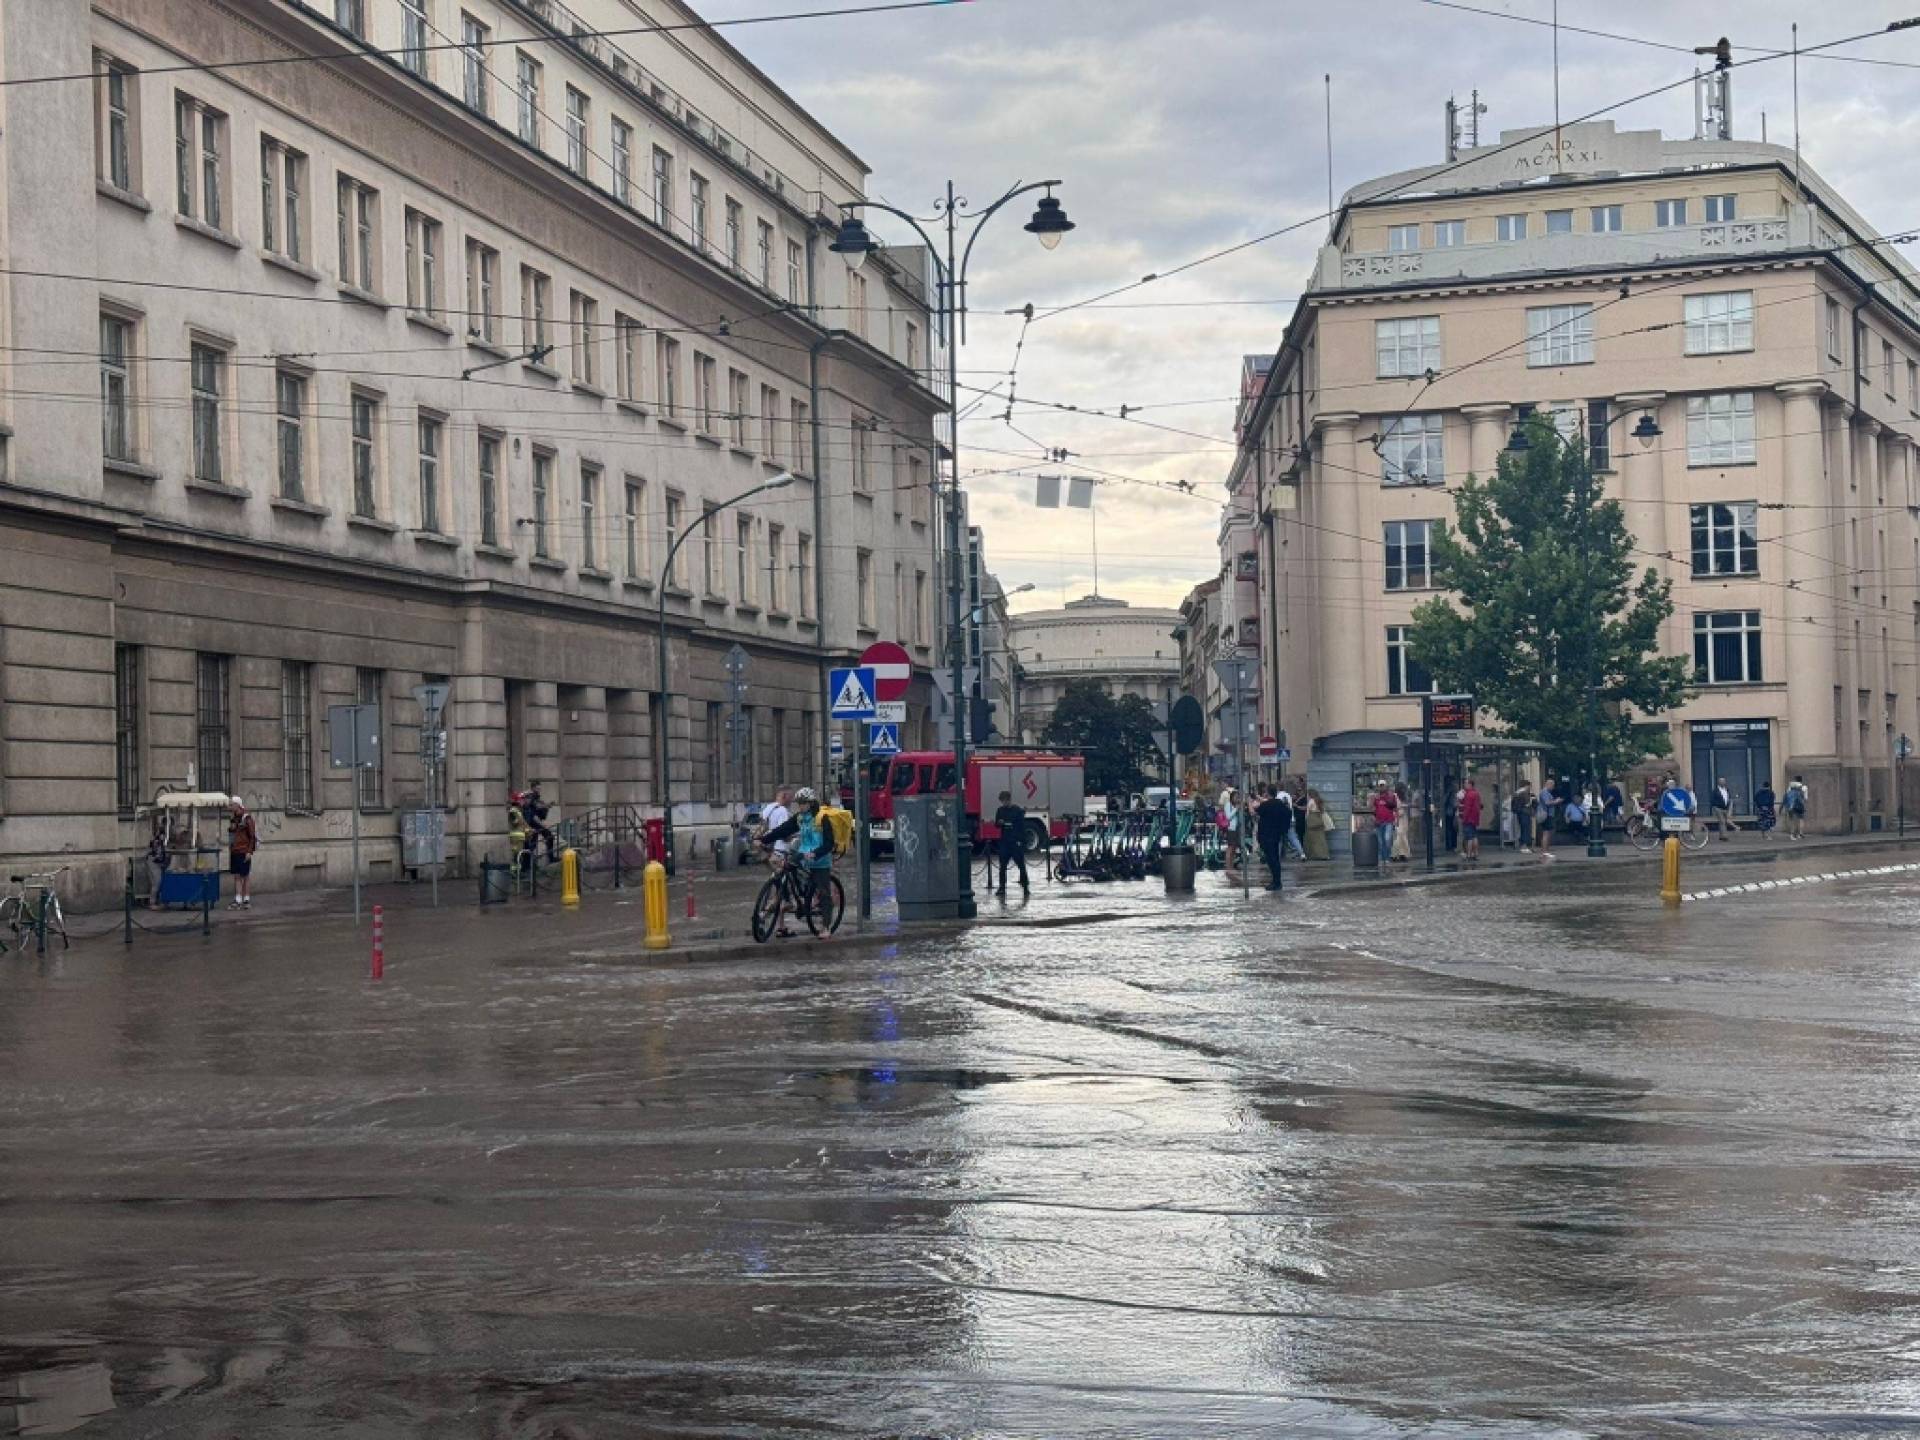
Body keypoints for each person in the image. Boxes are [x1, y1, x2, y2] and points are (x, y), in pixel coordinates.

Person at [992, 789, 1030, 895]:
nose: (1003, 803)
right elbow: (996, 824)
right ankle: (1002, 888)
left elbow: (1022, 826)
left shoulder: (1017, 810)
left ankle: (1026, 887)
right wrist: (999, 823)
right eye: (1002, 801)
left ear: (1009, 800)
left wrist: (1021, 841)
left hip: (1015, 841)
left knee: (1021, 865)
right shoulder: (1000, 810)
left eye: (1005, 801)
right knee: (1002, 866)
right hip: (1005, 841)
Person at [1255, 784, 1291, 890]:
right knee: (1275, 858)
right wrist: (1283, 829)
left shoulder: (1266, 805)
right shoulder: (1280, 804)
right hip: (1276, 835)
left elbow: (1255, 812)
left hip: (1266, 835)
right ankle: (1277, 881)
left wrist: (1249, 802)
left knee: (1271, 859)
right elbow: (1288, 813)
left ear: (1267, 793)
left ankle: (1276, 882)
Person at [227, 798, 259, 909]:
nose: (230, 807)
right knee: (236, 875)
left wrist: (249, 852)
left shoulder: (247, 818)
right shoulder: (233, 819)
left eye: (232, 805)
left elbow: (252, 836)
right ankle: (238, 899)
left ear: (238, 805)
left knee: (245, 876)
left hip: (244, 851)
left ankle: (246, 899)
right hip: (235, 851)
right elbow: (232, 834)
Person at [760, 786, 794, 861]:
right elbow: (784, 832)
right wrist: (794, 836)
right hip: (780, 849)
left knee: (776, 871)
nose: (792, 800)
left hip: (768, 848)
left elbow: (763, 827)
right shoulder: (783, 811)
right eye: (791, 797)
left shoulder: (768, 808)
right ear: (784, 796)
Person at [1371, 782, 1399, 867]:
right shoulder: (1376, 797)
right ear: (1378, 787)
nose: (1382, 787)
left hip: (1389, 821)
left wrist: (1396, 820)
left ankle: (1387, 857)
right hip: (1379, 822)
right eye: (1380, 786)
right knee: (1380, 841)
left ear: (1386, 786)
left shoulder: (1391, 796)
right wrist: (1373, 817)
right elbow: (1373, 808)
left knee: (1387, 839)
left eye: (1383, 785)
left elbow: (1394, 806)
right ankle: (1383, 859)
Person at [146, 818, 171, 909]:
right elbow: (159, 849)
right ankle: (152, 902)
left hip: (158, 861)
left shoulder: (164, 834)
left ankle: (159, 900)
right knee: (157, 881)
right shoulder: (161, 835)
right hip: (154, 861)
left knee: (159, 882)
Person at [1304, 788, 1331, 862]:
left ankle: (1314, 855)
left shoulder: (1311, 801)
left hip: (1312, 820)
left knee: (1311, 839)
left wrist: (1306, 819)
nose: (1307, 796)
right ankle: (1325, 855)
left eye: (1308, 794)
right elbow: (1323, 811)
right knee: (1321, 838)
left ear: (1310, 794)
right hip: (1319, 820)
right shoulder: (1319, 801)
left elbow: (1308, 812)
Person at [1459, 779, 1483, 862]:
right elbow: (1479, 806)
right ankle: (1476, 853)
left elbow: (1467, 808)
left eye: (1466, 783)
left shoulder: (1469, 795)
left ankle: (1469, 854)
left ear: (1470, 784)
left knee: (1469, 837)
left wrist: (1464, 819)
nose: (1464, 785)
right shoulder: (1476, 793)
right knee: (1474, 836)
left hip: (1468, 818)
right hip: (1475, 818)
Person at [1533, 779, 1557, 861]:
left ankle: (1546, 851)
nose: (1553, 787)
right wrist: (1556, 801)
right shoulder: (1544, 792)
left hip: (1548, 814)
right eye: (1552, 785)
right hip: (1546, 814)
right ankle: (1544, 852)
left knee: (1547, 833)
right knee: (1546, 833)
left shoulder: (1546, 792)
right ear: (1548, 784)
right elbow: (1547, 803)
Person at [1390, 781, 1413, 862]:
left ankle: (1402, 854)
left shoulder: (1403, 797)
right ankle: (1396, 854)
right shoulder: (1395, 796)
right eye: (1403, 789)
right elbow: (1395, 806)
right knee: (1399, 836)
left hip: (1403, 817)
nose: (1404, 790)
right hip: (1397, 817)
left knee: (1402, 835)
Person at [1288, 779, 1310, 861]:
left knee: (1300, 834)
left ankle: (1301, 851)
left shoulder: (1304, 798)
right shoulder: (1296, 797)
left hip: (1301, 817)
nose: (1298, 791)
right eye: (1298, 790)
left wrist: (1296, 806)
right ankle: (1299, 851)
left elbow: (1305, 808)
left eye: (1300, 789)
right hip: (1296, 817)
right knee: (1297, 834)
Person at [1782, 775, 1810, 839]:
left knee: (1792, 820)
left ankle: (1792, 834)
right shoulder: (1804, 787)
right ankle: (1800, 834)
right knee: (1801, 820)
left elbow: (1787, 796)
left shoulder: (1790, 787)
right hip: (1800, 805)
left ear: (1795, 780)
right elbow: (1805, 798)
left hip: (1791, 806)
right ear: (1801, 780)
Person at [1511, 781, 1534, 853]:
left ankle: (1524, 846)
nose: (1530, 788)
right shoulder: (1524, 793)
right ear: (1526, 786)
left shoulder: (1517, 792)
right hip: (1525, 812)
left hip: (1520, 813)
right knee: (1526, 829)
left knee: (1523, 829)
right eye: (1530, 786)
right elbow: (1529, 803)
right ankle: (1524, 847)